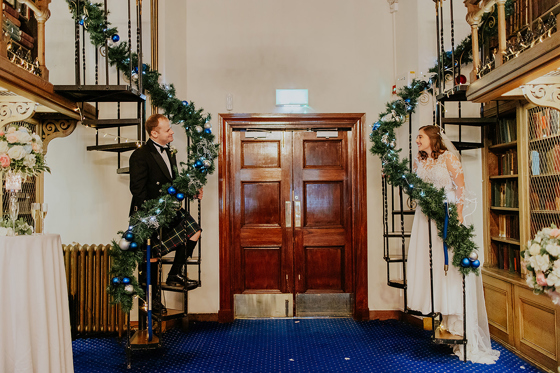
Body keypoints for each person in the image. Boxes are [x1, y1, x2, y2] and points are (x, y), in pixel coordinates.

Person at [406, 125, 499, 364]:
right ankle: (442, 314)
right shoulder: (420, 161)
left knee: (450, 267)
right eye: (417, 137)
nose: (417, 141)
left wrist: (457, 216)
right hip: (424, 218)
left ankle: (458, 323)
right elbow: (417, 190)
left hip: (445, 218)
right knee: (431, 265)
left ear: (432, 139)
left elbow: (461, 190)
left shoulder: (449, 158)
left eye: (420, 137)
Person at [129, 113, 202, 290]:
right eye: (168, 129)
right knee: (151, 256)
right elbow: (137, 190)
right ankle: (152, 301)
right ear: (154, 133)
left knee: (194, 232)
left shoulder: (170, 153)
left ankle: (174, 274)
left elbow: (174, 183)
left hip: (169, 210)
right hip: (149, 213)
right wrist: (152, 215)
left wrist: (191, 192)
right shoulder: (140, 155)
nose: (172, 133)